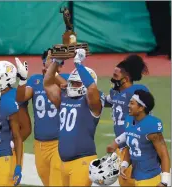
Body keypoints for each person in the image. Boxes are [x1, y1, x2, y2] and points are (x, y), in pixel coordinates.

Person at [43, 48, 105, 186]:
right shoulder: (64, 97)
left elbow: (92, 89)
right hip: (64, 163)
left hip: (82, 161)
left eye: (77, 83)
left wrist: (78, 64)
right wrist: (56, 62)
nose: (72, 85)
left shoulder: (92, 102)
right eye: (72, 82)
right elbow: (47, 83)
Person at [15, 49, 68, 186]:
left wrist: (53, 72)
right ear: (43, 63)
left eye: (58, 63)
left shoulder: (65, 79)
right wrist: (22, 80)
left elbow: (69, 90)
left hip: (59, 143)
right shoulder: (35, 80)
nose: (55, 65)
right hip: (39, 145)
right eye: (50, 61)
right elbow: (21, 97)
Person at [107, 90, 170, 187]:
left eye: (132, 103)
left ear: (141, 108)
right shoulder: (129, 119)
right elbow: (130, 145)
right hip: (135, 176)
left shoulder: (151, 126)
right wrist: (124, 165)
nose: (128, 105)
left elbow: (163, 154)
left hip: (150, 178)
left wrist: (164, 181)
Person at [105, 54, 149, 186]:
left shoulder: (137, 92)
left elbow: (141, 124)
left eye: (116, 76)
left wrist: (117, 141)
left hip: (136, 147)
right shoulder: (116, 93)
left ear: (127, 78)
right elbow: (104, 100)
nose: (113, 79)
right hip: (123, 149)